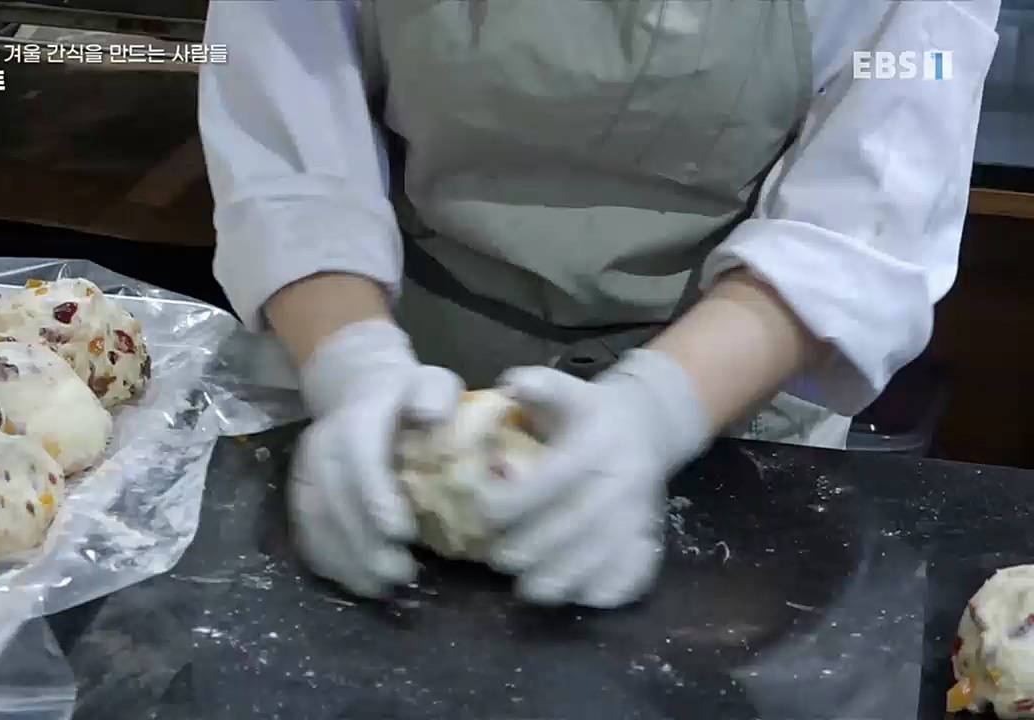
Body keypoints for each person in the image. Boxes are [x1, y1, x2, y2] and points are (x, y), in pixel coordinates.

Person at [198, 0, 1000, 608]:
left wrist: (657, 409)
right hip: (406, 382)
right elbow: (285, 137)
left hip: (731, 410)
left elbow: (865, 207)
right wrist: (353, 366)